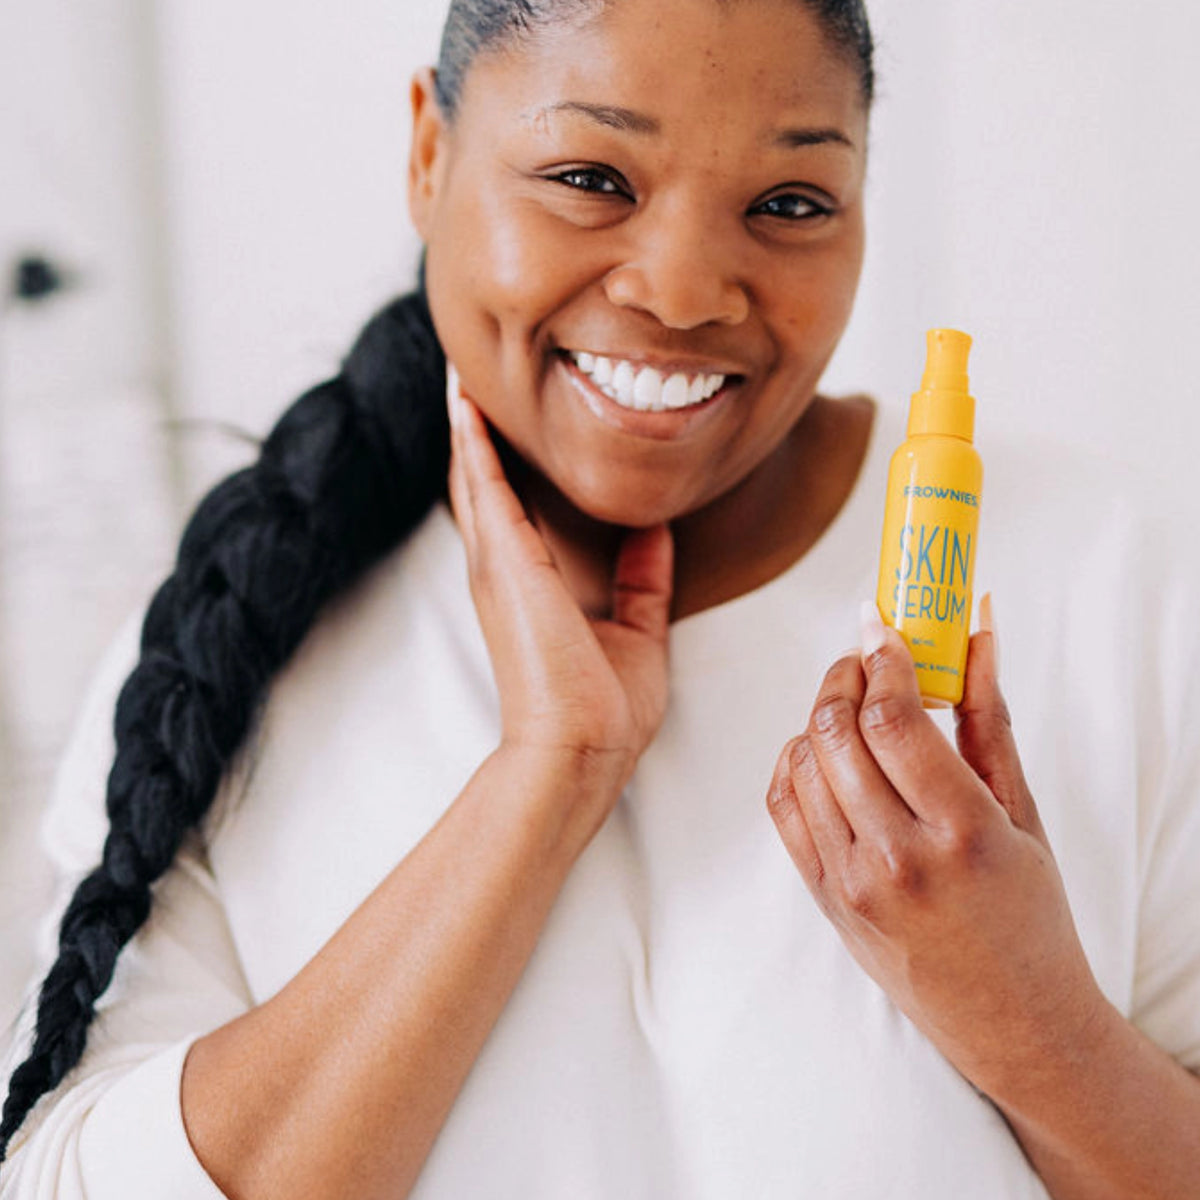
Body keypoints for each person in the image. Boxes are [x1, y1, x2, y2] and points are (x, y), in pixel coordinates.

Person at [3, 0, 1200, 1196]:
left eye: (790, 203)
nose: (683, 292)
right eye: (590, 176)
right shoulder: (234, 643)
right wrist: (549, 770)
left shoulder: (1114, 584)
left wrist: (1040, 1032)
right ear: (430, 155)